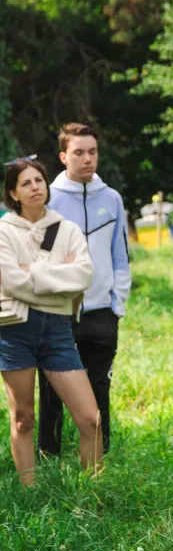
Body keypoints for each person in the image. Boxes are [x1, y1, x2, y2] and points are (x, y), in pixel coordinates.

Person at [0, 156, 101, 485]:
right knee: (23, 419)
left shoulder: (67, 229)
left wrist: (35, 273)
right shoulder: (4, 231)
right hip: (15, 332)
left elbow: (84, 275)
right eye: (25, 183)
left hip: (58, 332)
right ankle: (29, 493)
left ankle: (93, 491)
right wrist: (60, 280)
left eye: (39, 181)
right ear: (13, 193)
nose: (34, 188)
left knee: (90, 419)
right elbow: (11, 282)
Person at [38, 123, 131, 456]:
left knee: (99, 388)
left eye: (92, 152)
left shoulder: (112, 199)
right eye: (79, 152)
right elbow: (40, 259)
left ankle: (99, 458)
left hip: (102, 312)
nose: (87, 159)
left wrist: (116, 305)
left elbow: (121, 257)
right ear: (64, 156)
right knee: (51, 391)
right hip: (57, 313)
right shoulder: (48, 199)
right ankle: (48, 456)